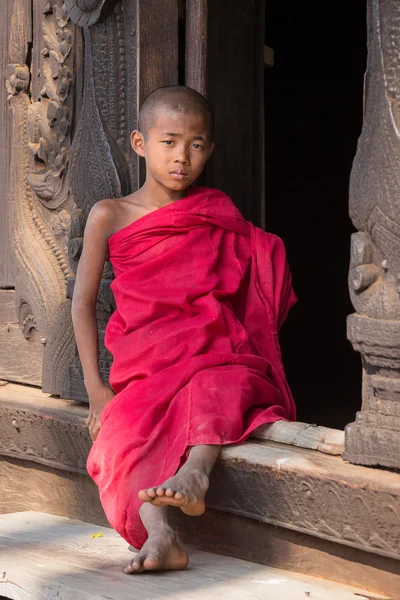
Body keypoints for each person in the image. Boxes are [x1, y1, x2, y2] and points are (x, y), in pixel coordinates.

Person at [71, 85, 296, 575]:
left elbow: (252, 274)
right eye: (169, 141)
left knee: (222, 384)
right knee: (118, 446)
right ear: (140, 143)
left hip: (212, 353)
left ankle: (195, 473)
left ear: (209, 150)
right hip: (144, 367)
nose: (182, 158)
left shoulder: (216, 213)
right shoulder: (110, 214)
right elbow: (83, 303)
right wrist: (95, 388)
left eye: (196, 145)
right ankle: (162, 534)